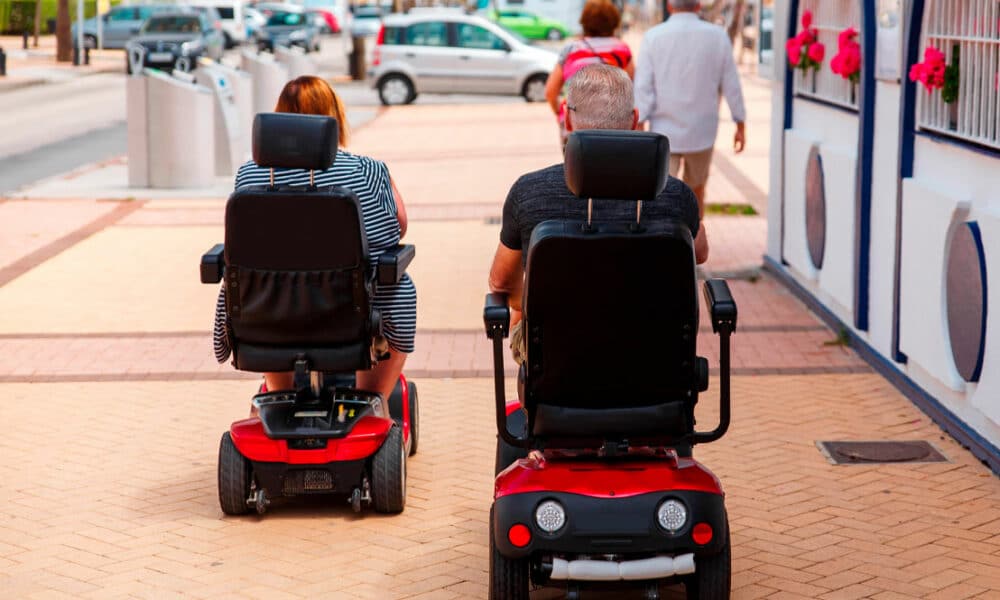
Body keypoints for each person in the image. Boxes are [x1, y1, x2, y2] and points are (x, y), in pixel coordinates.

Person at [213, 76, 416, 403]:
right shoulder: (367, 171)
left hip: (268, 311)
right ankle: (373, 400)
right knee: (397, 284)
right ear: (334, 117)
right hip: (347, 309)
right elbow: (393, 231)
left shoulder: (249, 176)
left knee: (261, 283)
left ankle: (279, 393)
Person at [490, 64, 705, 365]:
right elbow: (700, 252)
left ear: (566, 117)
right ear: (633, 120)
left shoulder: (529, 192)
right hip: (658, 369)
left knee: (518, 318)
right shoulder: (677, 196)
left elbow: (501, 283)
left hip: (558, 374)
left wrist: (519, 305)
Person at [634, 0, 747, 263]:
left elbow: (644, 88)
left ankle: (662, 249)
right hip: (702, 130)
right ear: (698, 6)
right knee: (696, 191)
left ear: (670, 7)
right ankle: (691, 249)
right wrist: (740, 122)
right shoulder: (717, 37)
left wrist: (640, 121)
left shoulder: (653, 37)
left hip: (664, 133)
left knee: (661, 193)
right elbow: (731, 82)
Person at [544, 0, 634, 145]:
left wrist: (561, 114)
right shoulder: (622, 50)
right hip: (612, 125)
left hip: (576, 126)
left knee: (575, 167)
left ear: (584, 22)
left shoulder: (571, 50)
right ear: (614, 22)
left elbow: (550, 91)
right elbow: (631, 87)